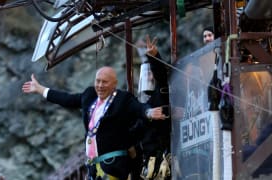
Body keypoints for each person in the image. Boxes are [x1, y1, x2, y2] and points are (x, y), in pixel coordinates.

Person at [22, 66, 166, 180]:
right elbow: (66, 99)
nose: (100, 85)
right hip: (93, 167)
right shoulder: (89, 95)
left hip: (113, 164)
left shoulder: (123, 99)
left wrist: (149, 113)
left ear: (114, 84)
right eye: (98, 81)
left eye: (105, 82)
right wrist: (40, 89)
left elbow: (139, 108)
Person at [130, 35, 171, 180]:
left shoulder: (161, 92)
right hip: (148, 161)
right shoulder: (138, 104)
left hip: (164, 155)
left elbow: (160, 75)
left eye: (150, 74)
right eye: (145, 75)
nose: (148, 77)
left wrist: (154, 57)